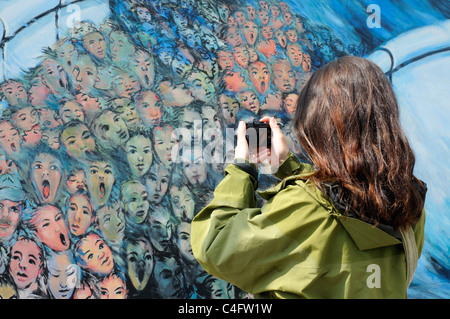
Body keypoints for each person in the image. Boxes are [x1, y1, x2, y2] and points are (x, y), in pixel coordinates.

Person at [191, 56, 427, 299]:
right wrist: (288, 168)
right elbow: (344, 216)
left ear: (317, 126)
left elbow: (216, 245)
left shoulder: (305, 208)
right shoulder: (410, 204)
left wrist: (242, 168)